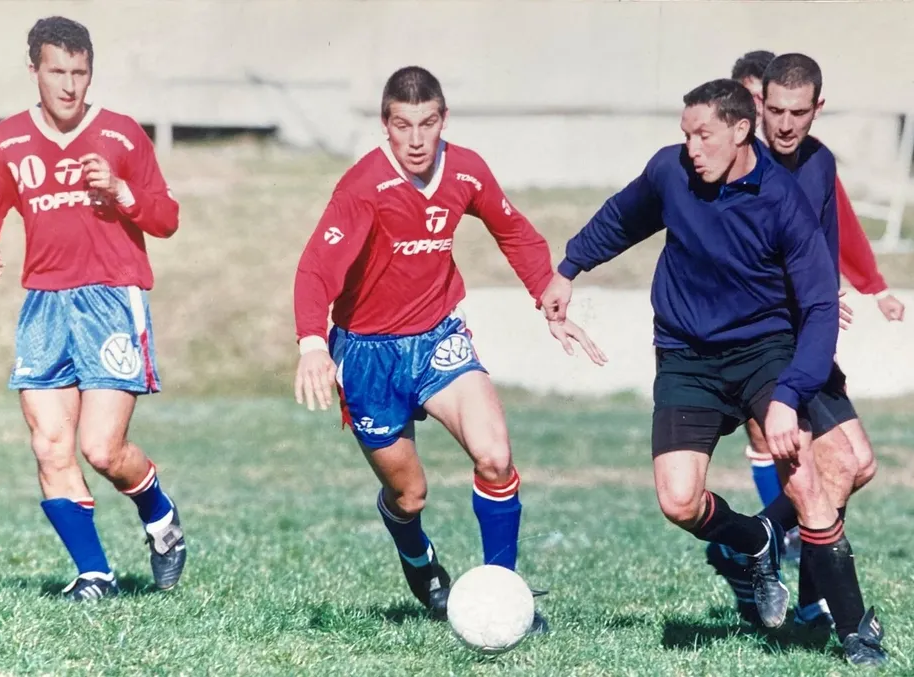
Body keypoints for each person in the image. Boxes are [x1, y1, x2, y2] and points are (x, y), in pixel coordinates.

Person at [541, 78, 886, 666]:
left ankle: (856, 630)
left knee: (807, 482)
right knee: (678, 501)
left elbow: (821, 306)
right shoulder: (671, 172)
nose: (691, 148)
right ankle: (754, 542)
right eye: (686, 135)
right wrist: (568, 268)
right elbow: (622, 218)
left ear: (739, 130)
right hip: (686, 356)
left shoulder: (780, 198)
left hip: (763, 351)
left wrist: (788, 395)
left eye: (703, 135)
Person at [292, 65, 606, 632]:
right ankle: (419, 560)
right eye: (402, 125)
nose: (415, 140)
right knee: (410, 494)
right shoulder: (363, 187)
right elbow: (318, 268)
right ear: (385, 125)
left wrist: (547, 298)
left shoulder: (466, 170)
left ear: (444, 120)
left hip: (439, 336)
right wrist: (313, 342)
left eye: (427, 124)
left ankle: (505, 595)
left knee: (496, 456)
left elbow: (513, 231)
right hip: (367, 355)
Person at [0, 16, 186, 601]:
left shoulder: (122, 135)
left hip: (112, 300)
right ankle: (94, 574)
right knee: (48, 445)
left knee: (101, 450)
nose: (68, 86)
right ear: (33, 69)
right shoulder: (6, 141)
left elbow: (165, 217)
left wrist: (122, 192)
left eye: (79, 73)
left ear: (91, 73)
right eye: (56, 71)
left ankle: (160, 520)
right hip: (44, 304)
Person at [728, 49, 902, 563]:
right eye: (773, 110)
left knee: (859, 465)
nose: (783, 123)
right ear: (759, 105)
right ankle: (813, 595)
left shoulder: (820, 162)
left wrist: (863, 288)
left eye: (796, 112)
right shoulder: (741, 169)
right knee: (825, 467)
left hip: (810, 337)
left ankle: (758, 545)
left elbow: (835, 231)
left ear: (816, 107)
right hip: (765, 342)